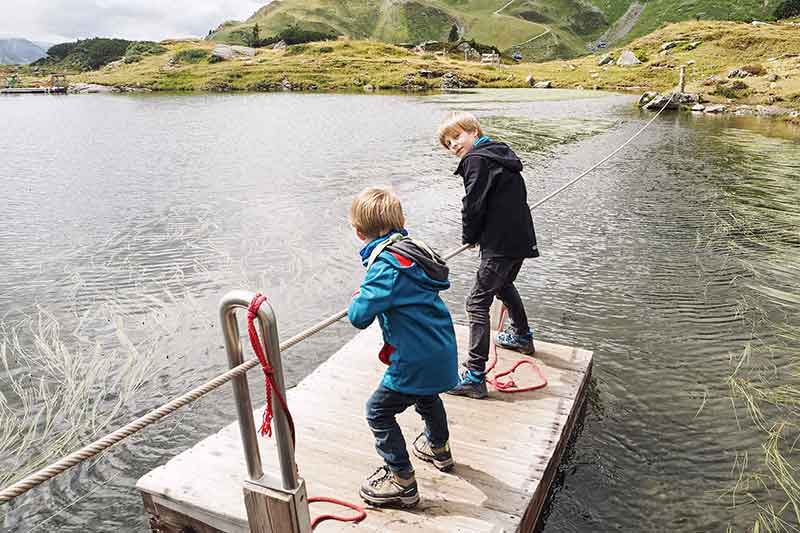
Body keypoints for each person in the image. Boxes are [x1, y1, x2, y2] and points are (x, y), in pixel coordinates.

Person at [347, 187, 459, 507]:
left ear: (358, 232)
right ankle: (439, 450)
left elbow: (358, 316)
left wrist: (359, 296)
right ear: (401, 221)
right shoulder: (412, 252)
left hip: (414, 359)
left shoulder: (385, 266)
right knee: (427, 397)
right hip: (441, 347)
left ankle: (402, 480)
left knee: (378, 411)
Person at [437, 111, 540, 399]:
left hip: (501, 243)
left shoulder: (476, 160)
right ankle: (521, 337)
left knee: (476, 302)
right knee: (503, 286)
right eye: (448, 143)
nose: (453, 145)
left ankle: (474, 376)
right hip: (519, 239)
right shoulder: (497, 152)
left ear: (472, 130)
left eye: (456, 136)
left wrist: (470, 237)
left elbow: (473, 204)